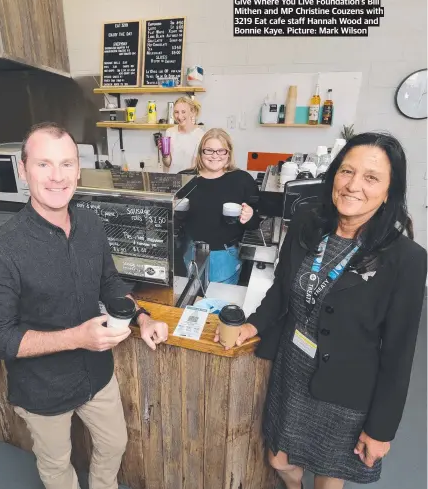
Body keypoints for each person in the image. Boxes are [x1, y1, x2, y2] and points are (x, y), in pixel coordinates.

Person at [215, 132, 427, 488]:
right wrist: (254, 326)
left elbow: (398, 355)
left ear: (389, 191)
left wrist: (380, 430)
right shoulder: (307, 225)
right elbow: (281, 290)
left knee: (329, 476)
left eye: (371, 178)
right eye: (347, 172)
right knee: (278, 459)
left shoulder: (405, 258)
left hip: (345, 387)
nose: (353, 185)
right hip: (292, 370)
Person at [0, 122, 169, 489]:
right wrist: (77, 337)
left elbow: (109, 282)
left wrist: (141, 317)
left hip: (96, 373)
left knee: (115, 444)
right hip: (41, 388)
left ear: (79, 170)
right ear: (23, 170)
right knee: (57, 466)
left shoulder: (91, 224)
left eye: (66, 164)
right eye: (44, 164)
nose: (58, 177)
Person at [179, 127, 260, 284]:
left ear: (228, 153)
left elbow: (256, 222)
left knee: (219, 303)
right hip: (190, 251)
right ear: (201, 152)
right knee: (190, 301)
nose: (214, 156)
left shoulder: (242, 180)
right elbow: (174, 219)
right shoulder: (184, 179)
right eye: (209, 150)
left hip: (225, 254)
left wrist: (249, 216)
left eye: (221, 151)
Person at [162, 96, 204, 173]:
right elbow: (167, 164)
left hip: (191, 181)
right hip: (172, 180)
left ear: (192, 112)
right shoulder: (170, 132)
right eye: (176, 112)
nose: (179, 116)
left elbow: (198, 167)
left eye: (183, 112)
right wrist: (165, 154)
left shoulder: (200, 135)